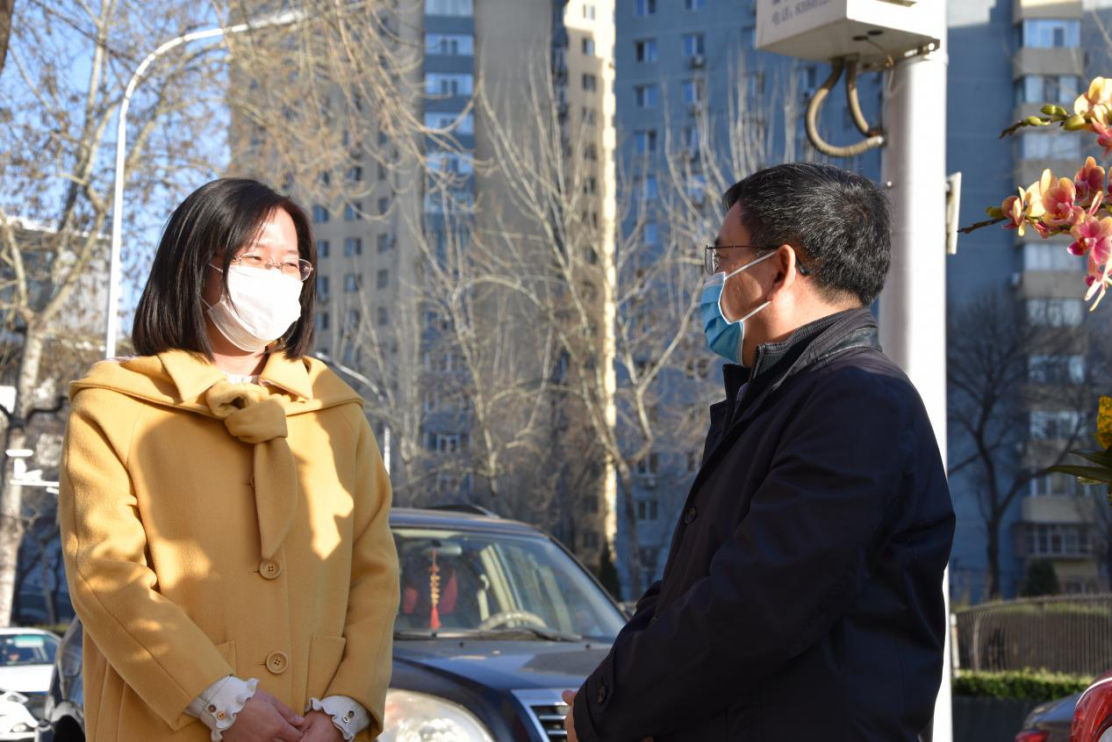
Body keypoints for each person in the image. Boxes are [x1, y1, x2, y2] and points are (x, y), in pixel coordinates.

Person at [563, 163, 955, 741]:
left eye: (722, 259)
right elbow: (689, 589)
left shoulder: (858, 401)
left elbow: (754, 605)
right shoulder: (784, 397)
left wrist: (605, 709)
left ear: (779, 268)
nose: (715, 282)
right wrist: (614, 698)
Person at [59, 178, 400, 742]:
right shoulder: (115, 407)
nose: (276, 277)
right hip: (168, 726)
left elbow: (375, 576)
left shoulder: (336, 414)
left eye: (291, 264)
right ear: (195, 266)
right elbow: (106, 577)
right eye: (254, 259)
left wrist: (346, 707)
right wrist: (219, 700)